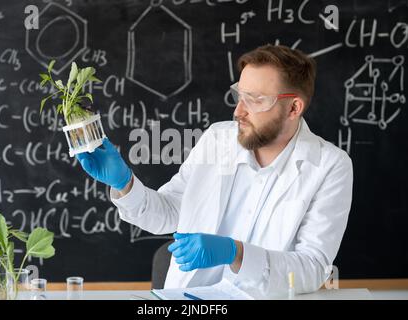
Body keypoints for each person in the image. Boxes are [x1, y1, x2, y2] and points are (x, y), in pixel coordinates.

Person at [76, 44, 353, 297]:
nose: (238, 111)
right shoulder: (217, 139)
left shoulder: (329, 166)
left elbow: (312, 267)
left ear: (293, 108)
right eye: (239, 96)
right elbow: (170, 213)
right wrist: (125, 183)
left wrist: (236, 253)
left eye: (255, 100)